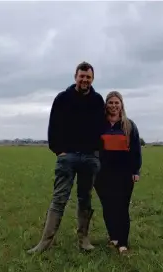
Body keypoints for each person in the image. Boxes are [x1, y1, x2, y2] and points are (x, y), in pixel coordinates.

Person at [27, 62, 105, 254]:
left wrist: (96, 151)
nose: (85, 80)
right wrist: (58, 150)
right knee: (59, 199)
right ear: (75, 77)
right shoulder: (62, 99)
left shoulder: (97, 100)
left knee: (85, 199)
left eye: (88, 77)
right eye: (82, 76)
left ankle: (84, 239)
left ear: (92, 79)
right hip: (67, 157)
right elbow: (53, 126)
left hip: (89, 158)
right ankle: (45, 241)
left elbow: (102, 128)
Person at [94, 91, 142, 255]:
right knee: (108, 207)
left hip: (124, 173)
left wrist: (136, 170)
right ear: (106, 105)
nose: (114, 106)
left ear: (121, 104)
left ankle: (123, 242)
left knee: (122, 208)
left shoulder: (129, 125)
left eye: (117, 102)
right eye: (110, 102)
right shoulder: (100, 124)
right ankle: (113, 236)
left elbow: (136, 150)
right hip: (102, 173)